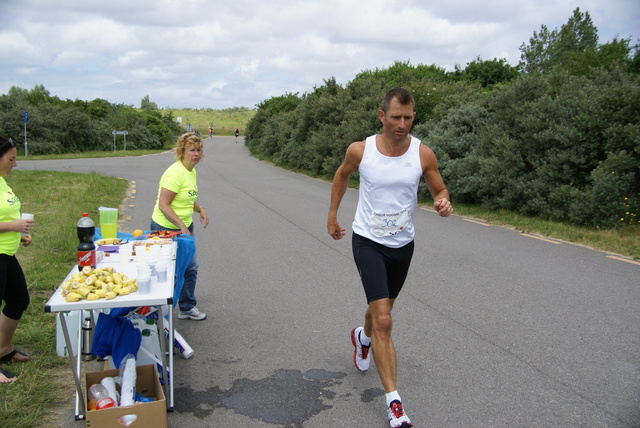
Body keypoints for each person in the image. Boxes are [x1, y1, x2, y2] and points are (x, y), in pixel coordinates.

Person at [327, 88, 453, 427]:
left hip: (403, 244)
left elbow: (439, 188)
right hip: (367, 240)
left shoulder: (422, 154)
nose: (402, 123)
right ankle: (394, 404)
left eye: (408, 117)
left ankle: (362, 338)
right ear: (382, 116)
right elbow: (341, 176)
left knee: (382, 311)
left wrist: (443, 201)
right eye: (396, 116)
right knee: (384, 319)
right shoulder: (361, 150)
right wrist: (332, 215)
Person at [151, 132, 209, 321]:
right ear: (181, 152)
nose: (196, 154)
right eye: (192, 150)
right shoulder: (175, 173)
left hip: (184, 227)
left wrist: (200, 209)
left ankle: (186, 307)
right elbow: (163, 205)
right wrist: (181, 226)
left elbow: (187, 198)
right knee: (165, 270)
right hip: (165, 228)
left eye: (199, 150)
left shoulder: (191, 171)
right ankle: (156, 310)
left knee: (191, 267)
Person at [0, 134, 35, 384]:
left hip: (6, 252)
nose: (15, 164)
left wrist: (17, 233)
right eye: (11, 159)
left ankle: (3, 349)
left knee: (18, 299)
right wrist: (12, 224)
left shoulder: (2, 181)